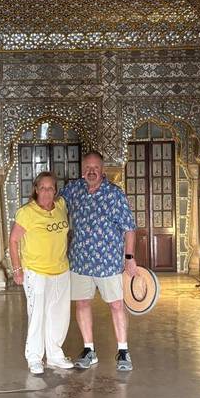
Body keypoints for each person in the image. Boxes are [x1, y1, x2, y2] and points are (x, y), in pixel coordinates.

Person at [59, 151, 137, 371]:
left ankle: (123, 351)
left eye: (95, 168)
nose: (91, 171)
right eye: (87, 168)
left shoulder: (114, 194)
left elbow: (129, 228)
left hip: (108, 261)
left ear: (103, 170)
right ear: (82, 170)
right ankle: (89, 350)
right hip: (80, 260)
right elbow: (52, 206)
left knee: (116, 304)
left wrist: (129, 257)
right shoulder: (73, 190)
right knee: (82, 303)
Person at [9, 171, 74, 375]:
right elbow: (13, 241)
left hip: (61, 270)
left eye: (50, 188)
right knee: (37, 315)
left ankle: (55, 355)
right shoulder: (27, 212)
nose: (46, 192)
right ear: (36, 189)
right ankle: (34, 358)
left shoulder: (61, 206)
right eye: (43, 188)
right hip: (36, 272)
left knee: (59, 315)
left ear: (55, 191)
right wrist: (17, 269)